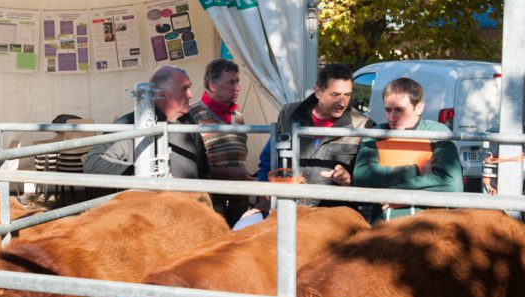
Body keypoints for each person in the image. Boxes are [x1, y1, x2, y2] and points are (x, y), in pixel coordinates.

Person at [234, 63, 373, 229]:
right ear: (317, 91)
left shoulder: (364, 126)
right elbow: (268, 158)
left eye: (347, 95)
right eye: (335, 95)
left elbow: (370, 180)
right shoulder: (288, 114)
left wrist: (349, 180)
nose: (342, 102)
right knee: (240, 229)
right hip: (284, 208)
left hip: (330, 217)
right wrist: (264, 199)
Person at [353, 77, 463, 222]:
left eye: (399, 110)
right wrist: (416, 171)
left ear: (419, 108)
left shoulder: (436, 133)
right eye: (388, 110)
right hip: (384, 227)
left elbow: (451, 184)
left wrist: (400, 195)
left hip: (429, 226)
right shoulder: (376, 133)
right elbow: (362, 177)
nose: (392, 117)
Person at [84, 65, 209, 179]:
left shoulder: (188, 119)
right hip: (154, 202)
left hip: (192, 201)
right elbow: (93, 163)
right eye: (184, 89)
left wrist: (207, 197)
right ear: (162, 95)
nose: (191, 94)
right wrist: (142, 171)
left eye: (189, 87)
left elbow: (202, 163)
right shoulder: (130, 124)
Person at [189, 58, 253, 227]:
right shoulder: (192, 116)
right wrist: (225, 173)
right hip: (210, 204)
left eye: (237, 82)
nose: (238, 88)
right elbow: (189, 166)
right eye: (231, 82)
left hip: (239, 199)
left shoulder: (237, 116)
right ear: (212, 85)